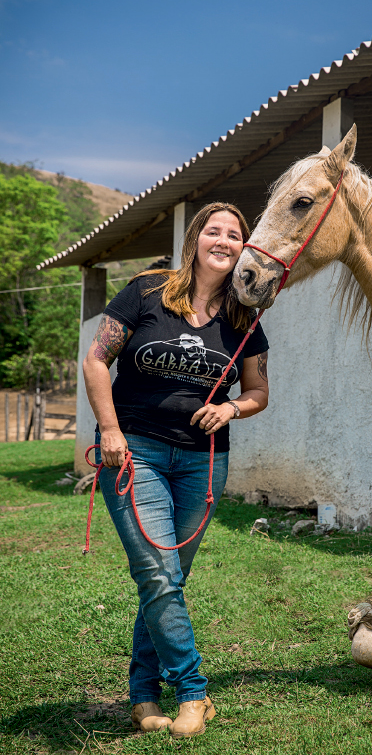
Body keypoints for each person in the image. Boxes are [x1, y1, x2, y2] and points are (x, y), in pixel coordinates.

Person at [83, 202, 269, 739]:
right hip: (132, 452)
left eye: (235, 235)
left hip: (202, 461)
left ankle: (143, 695)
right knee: (158, 574)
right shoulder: (146, 291)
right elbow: (98, 359)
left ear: (243, 248)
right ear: (196, 240)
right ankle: (193, 692)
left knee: (167, 578)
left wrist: (232, 407)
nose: (224, 241)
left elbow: (258, 391)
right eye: (214, 231)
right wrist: (111, 430)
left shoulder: (245, 317)